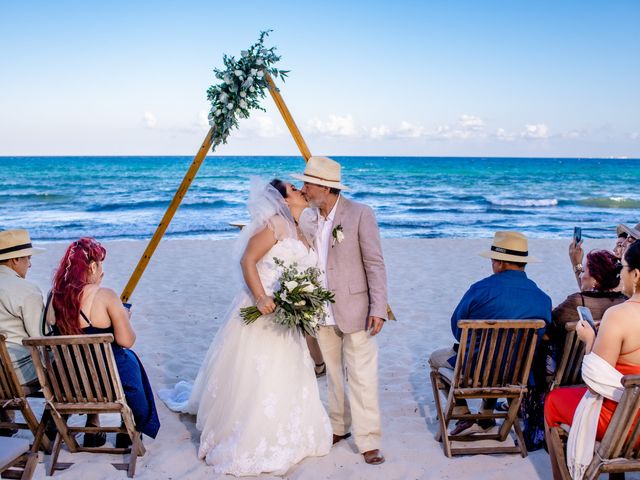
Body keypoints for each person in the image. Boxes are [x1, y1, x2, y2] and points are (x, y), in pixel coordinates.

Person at [159, 178, 331, 477]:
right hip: (262, 309)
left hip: (287, 314)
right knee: (257, 374)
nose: (301, 190)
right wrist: (263, 297)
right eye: (293, 189)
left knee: (287, 370)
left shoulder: (301, 228)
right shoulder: (275, 224)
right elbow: (247, 260)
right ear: (282, 200)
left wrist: (303, 297)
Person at [295, 156, 388, 466]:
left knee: (361, 376)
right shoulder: (309, 217)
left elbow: (374, 263)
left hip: (357, 309)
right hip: (321, 309)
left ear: (325, 187)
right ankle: (339, 426)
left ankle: (369, 440)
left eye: (308, 183)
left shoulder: (360, 214)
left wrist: (379, 308)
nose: (304, 188)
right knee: (334, 375)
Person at [429, 231, 552, 442]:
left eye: (494, 259)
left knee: (436, 359)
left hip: (474, 372)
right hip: (517, 374)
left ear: (501, 263)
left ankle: (463, 414)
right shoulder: (542, 298)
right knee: (502, 357)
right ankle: (485, 418)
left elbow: (457, 329)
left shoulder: (480, 290)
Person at [48, 238, 160, 448]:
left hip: (71, 384)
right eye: (100, 265)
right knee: (126, 359)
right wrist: (124, 317)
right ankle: (127, 428)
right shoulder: (105, 296)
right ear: (92, 266)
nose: (102, 271)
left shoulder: (55, 298)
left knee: (85, 358)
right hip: (109, 382)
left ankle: (92, 423)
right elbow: (127, 341)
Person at [545, 240, 640, 479]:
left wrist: (589, 339)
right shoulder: (618, 311)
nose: (621, 276)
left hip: (622, 422)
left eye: (624, 269)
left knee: (554, 401)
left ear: (636, 275)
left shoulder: (618, 316)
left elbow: (594, 380)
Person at [0, 229, 45, 436]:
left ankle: (5, 421)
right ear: (14, 259)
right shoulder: (26, 290)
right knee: (64, 363)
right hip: (14, 376)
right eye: (27, 258)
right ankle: (52, 426)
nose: (30, 264)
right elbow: (39, 339)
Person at [548, 249, 626, 358]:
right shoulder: (623, 302)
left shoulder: (577, 301)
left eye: (583, 271)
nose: (580, 276)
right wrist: (576, 263)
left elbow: (549, 327)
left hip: (568, 367)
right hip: (602, 362)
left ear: (596, 279)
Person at [569, 222, 639, 289]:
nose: (624, 243)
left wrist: (576, 263)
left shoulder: (627, 277)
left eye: (629, 240)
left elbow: (588, 291)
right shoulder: (619, 269)